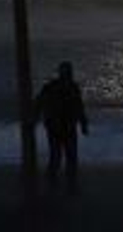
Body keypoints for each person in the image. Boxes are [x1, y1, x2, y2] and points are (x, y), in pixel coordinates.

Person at [33, 62, 89, 192]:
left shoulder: (53, 87)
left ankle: (60, 182)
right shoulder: (64, 87)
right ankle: (62, 183)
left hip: (58, 126)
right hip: (60, 126)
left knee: (61, 156)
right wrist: (83, 125)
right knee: (65, 156)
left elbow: (38, 103)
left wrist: (83, 124)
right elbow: (79, 108)